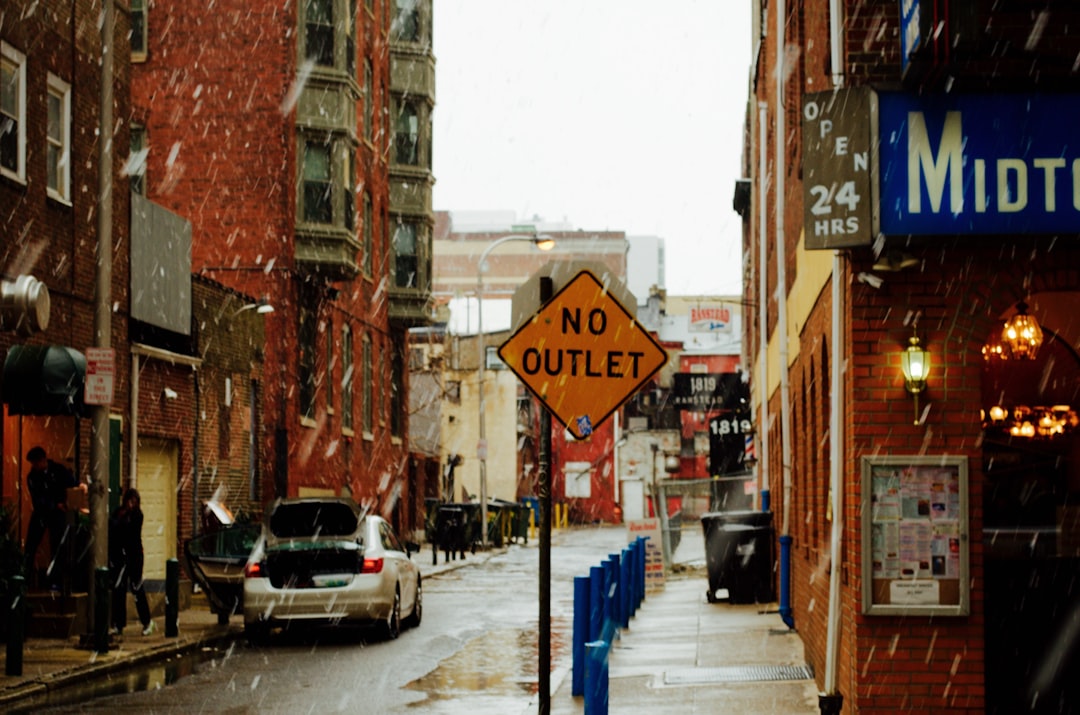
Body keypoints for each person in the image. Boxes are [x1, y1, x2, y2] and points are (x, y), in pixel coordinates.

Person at [24, 446, 78, 591]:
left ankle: (56, 581)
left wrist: (76, 492)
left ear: (42, 460)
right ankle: (26, 578)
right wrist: (55, 505)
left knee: (57, 546)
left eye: (35, 463)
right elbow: (38, 500)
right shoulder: (33, 477)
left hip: (56, 514)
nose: (34, 467)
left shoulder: (58, 471)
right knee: (31, 545)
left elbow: (72, 484)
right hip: (43, 513)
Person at [109, 488, 155, 636]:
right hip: (120, 557)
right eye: (129, 501)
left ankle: (147, 621)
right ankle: (118, 624)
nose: (131, 504)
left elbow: (130, 531)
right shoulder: (118, 512)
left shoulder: (137, 515)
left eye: (134, 502)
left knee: (137, 588)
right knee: (119, 590)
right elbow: (112, 528)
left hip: (134, 556)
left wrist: (123, 519)